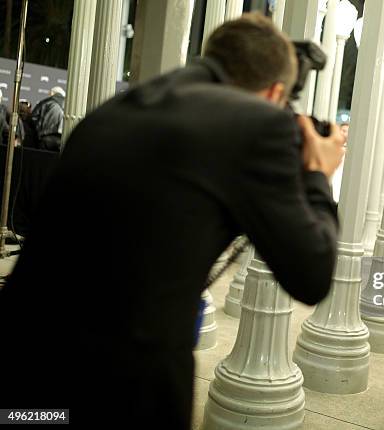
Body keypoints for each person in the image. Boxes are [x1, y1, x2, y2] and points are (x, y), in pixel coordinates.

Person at [0, 13, 344, 429]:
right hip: (120, 393)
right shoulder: (256, 124)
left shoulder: (116, 108)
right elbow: (311, 275)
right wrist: (316, 175)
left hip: (23, 380)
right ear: (273, 93)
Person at [30, 85, 65, 151]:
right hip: (61, 140)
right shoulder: (68, 105)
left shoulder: (45, 102)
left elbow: (33, 118)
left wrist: (38, 131)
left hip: (45, 138)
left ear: (52, 93)